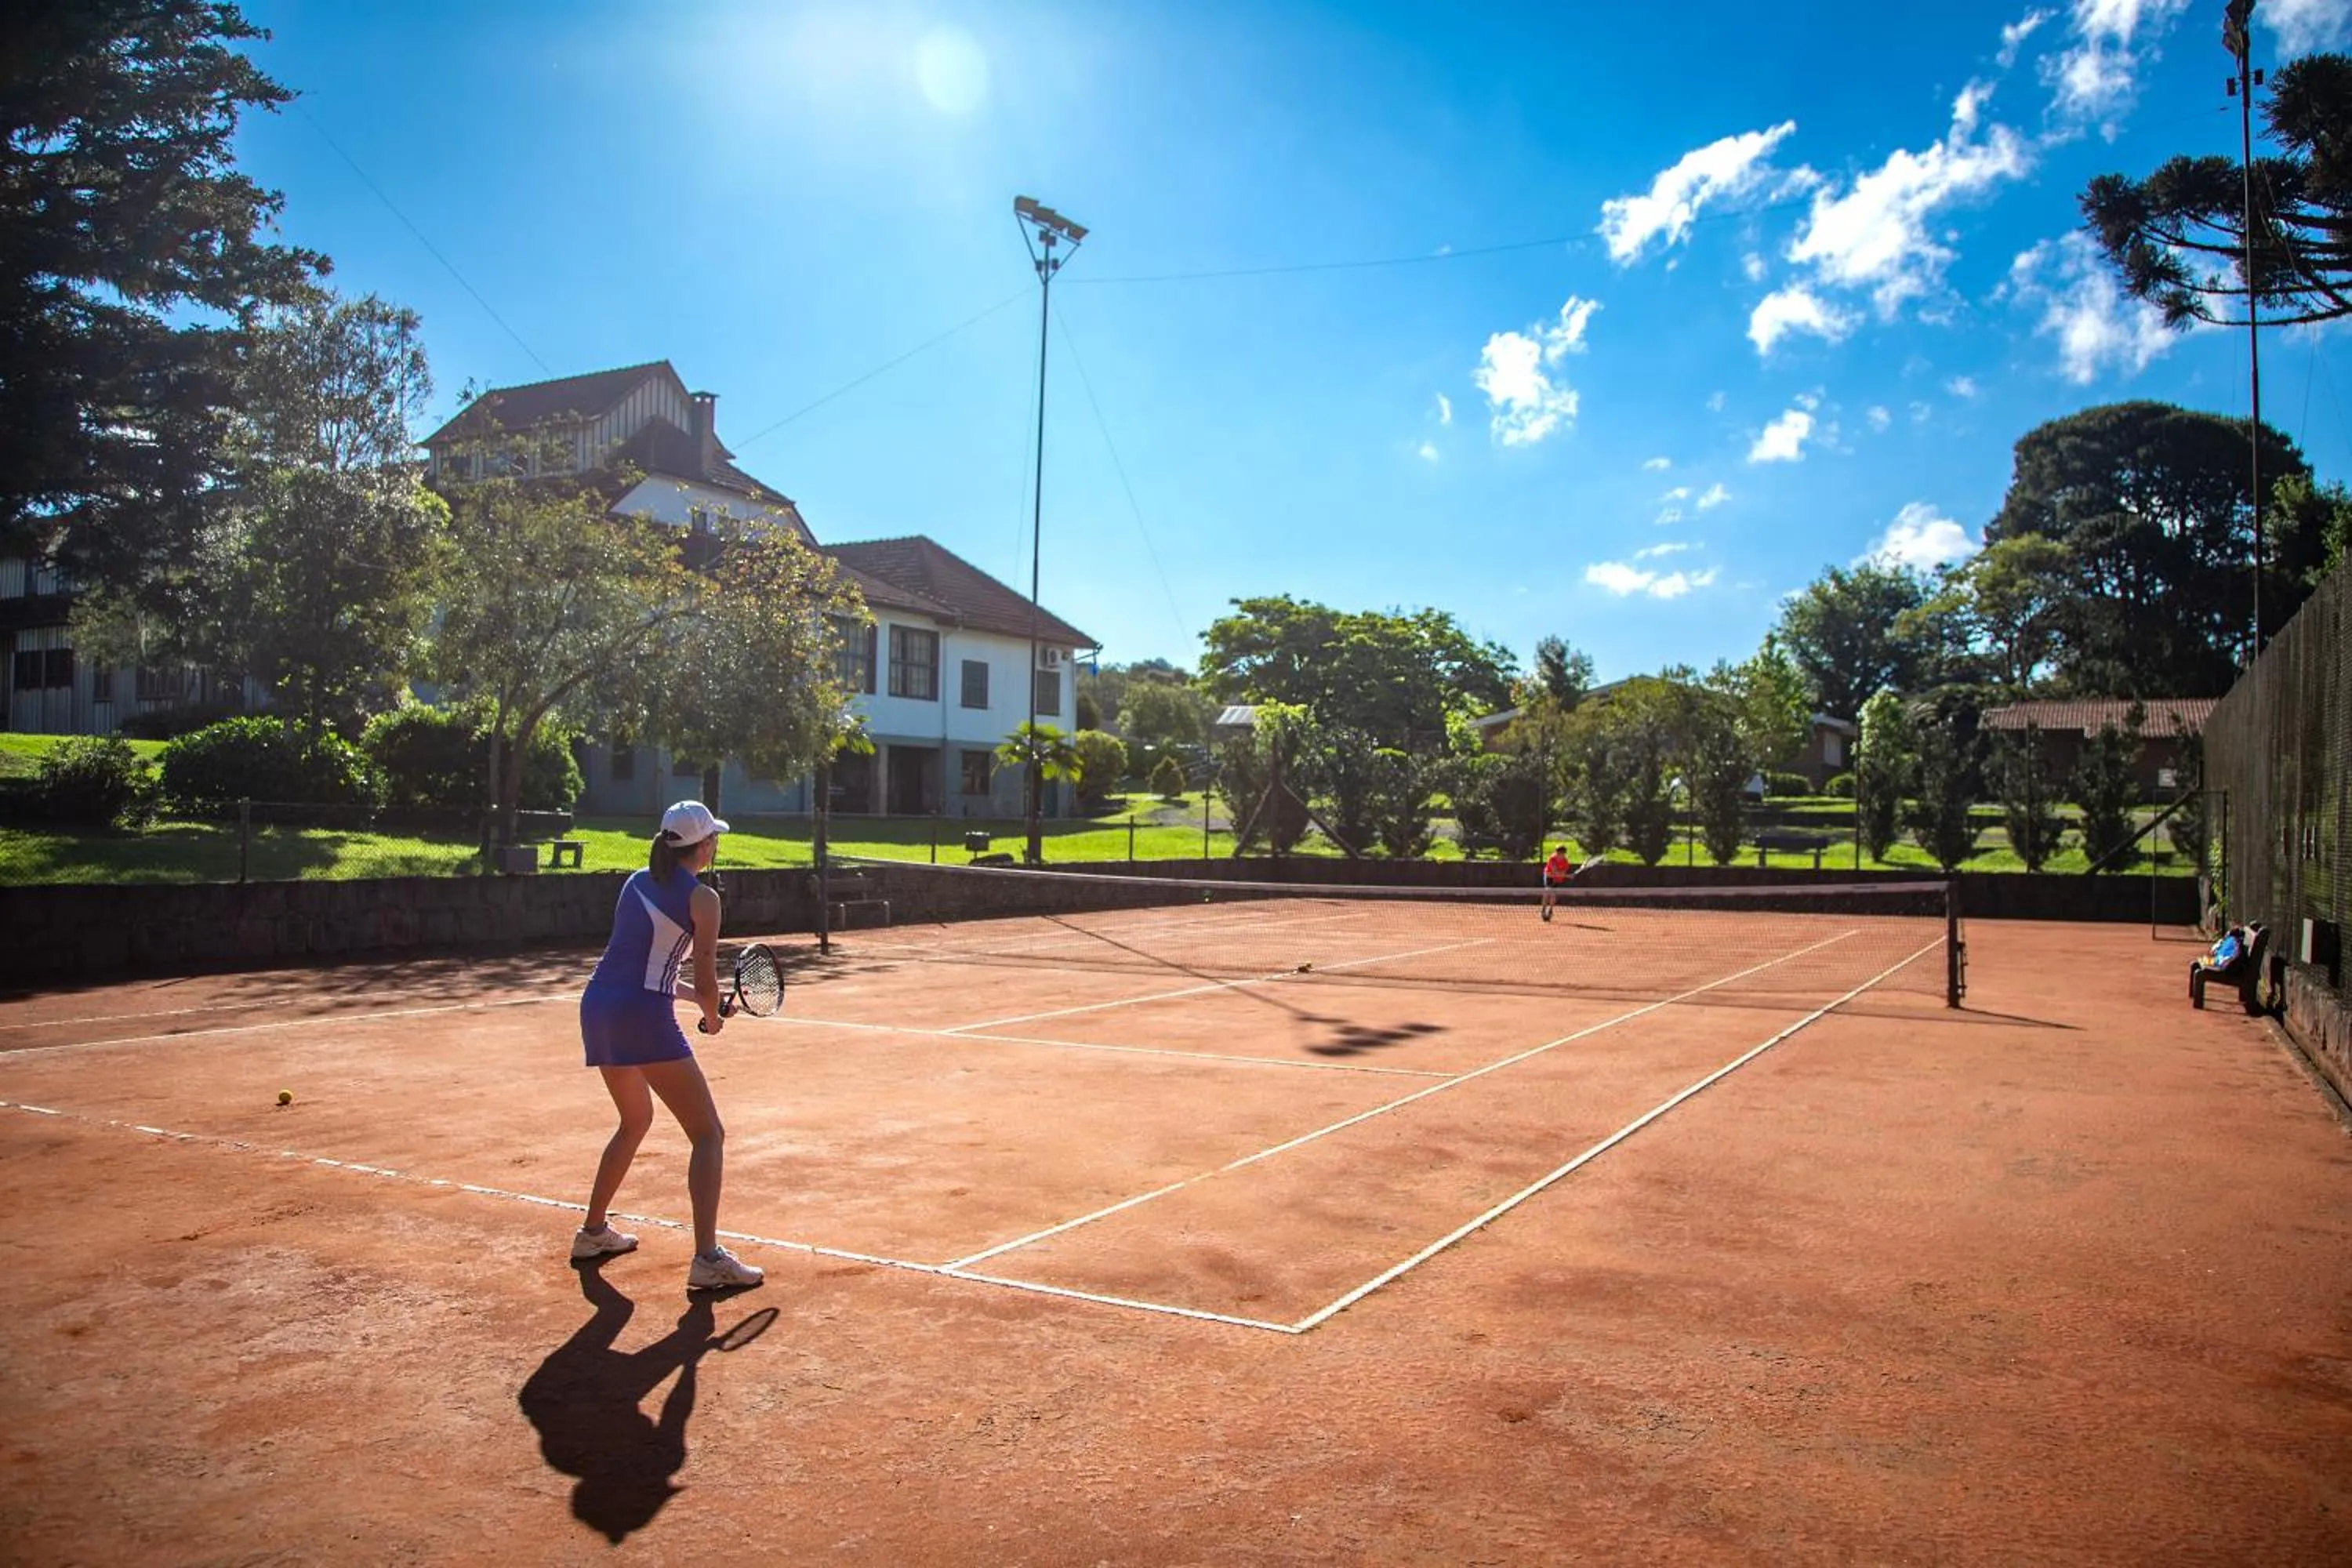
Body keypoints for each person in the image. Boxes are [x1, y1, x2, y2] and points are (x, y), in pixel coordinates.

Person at [570, 800, 763, 1293]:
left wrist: (707, 1003)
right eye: (713, 838)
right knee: (708, 1135)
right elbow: (699, 975)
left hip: (599, 1008)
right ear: (703, 846)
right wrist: (711, 1015)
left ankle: (592, 1233)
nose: (716, 843)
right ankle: (707, 1259)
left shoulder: (635, 882)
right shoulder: (704, 899)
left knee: (635, 1121)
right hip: (640, 1016)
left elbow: (646, 970)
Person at [1540, 844, 1573, 922]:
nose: (1558, 854)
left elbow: (1562, 872)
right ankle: (1543, 910)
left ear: (1564, 854)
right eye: (1557, 852)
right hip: (1549, 877)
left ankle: (1550, 910)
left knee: (1553, 895)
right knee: (1547, 892)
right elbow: (1555, 872)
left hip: (1558, 879)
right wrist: (1568, 876)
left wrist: (1564, 875)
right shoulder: (1552, 859)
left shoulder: (1565, 862)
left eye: (1561, 853)